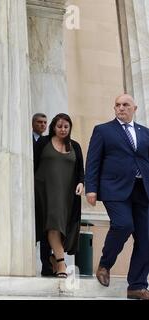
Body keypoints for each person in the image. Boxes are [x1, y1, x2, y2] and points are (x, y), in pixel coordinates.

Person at [85, 94, 149, 300]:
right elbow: (93, 161)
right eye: (117, 105)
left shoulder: (145, 133)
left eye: (125, 105)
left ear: (134, 108)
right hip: (115, 189)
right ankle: (105, 264)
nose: (121, 108)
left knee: (146, 238)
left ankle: (137, 285)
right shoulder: (103, 130)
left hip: (142, 190)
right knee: (123, 225)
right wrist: (91, 188)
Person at [34, 113, 84, 278]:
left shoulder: (75, 146)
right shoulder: (43, 142)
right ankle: (62, 264)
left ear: (70, 128)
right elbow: (32, 163)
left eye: (66, 126)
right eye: (59, 126)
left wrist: (81, 183)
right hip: (45, 192)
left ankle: (52, 259)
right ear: (53, 127)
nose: (63, 129)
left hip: (68, 194)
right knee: (53, 224)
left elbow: (80, 171)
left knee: (64, 228)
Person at [31, 113, 53, 276]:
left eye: (45, 122)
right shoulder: (26, 139)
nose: (42, 125)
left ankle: (46, 266)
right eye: (39, 122)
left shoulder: (48, 142)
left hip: (44, 190)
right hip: (27, 188)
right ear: (33, 123)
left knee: (46, 229)